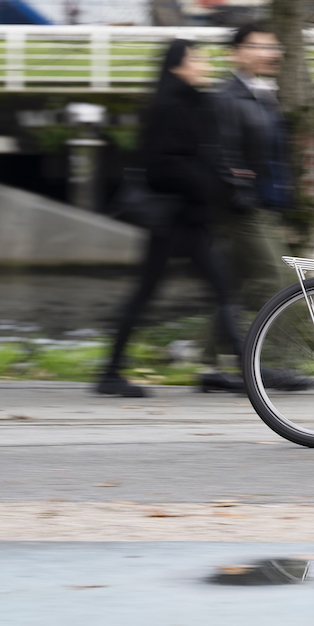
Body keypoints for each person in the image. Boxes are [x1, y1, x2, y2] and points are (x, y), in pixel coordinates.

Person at [99, 40, 244, 398]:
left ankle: (247, 369)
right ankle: (110, 373)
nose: (203, 62)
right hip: (173, 218)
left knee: (216, 286)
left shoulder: (194, 101)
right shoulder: (168, 106)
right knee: (204, 288)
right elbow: (161, 167)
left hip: (187, 217)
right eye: (196, 57)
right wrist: (207, 183)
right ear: (178, 65)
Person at [213, 23, 293, 314]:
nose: (269, 54)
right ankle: (270, 357)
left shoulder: (262, 94)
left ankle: (209, 354)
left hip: (267, 204)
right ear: (235, 54)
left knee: (238, 282)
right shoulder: (227, 97)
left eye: (272, 47)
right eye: (259, 47)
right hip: (247, 207)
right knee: (276, 280)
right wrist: (241, 195)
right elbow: (224, 152)